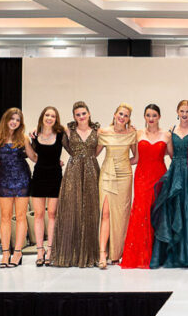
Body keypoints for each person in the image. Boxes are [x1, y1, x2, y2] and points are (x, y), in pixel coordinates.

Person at [49, 101, 101, 268]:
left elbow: (97, 151)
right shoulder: (68, 131)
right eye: (78, 114)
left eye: (83, 113)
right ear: (74, 116)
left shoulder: (97, 131)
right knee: (71, 210)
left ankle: (91, 254)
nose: (81, 117)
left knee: (91, 211)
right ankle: (69, 254)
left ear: (89, 113)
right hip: (72, 172)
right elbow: (55, 141)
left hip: (92, 171)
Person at [150, 100, 188, 268]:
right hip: (175, 173)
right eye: (182, 111)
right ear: (177, 112)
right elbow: (170, 154)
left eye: (187, 111)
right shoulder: (172, 131)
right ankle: (174, 254)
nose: (184, 114)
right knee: (172, 210)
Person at [121, 104, 171, 269]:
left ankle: (158, 255)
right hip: (142, 177)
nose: (151, 118)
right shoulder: (137, 134)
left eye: (154, 115)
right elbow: (134, 158)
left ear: (159, 117)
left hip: (159, 177)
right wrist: (117, 163)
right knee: (141, 212)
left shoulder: (167, 135)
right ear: (144, 116)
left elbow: (174, 156)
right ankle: (140, 256)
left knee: (157, 213)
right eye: (148, 115)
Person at [0, 107, 36, 268]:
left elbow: (33, 157)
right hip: (4, 179)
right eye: (12, 118)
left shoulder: (23, 138)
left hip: (22, 179)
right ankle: (5, 252)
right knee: (4, 217)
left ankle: (17, 252)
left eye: (18, 120)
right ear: (6, 119)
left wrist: (52, 161)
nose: (14, 122)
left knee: (21, 216)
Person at [98, 103, 137, 268]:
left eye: (126, 115)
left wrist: (122, 163)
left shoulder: (132, 133)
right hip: (107, 174)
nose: (122, 117)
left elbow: (136, 158)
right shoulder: (103, 132)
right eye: (120, 114)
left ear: (129, 119)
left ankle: (117, 254)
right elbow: (93, 153)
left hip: (125, 176)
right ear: (114, 114)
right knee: (105, 213)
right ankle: (102, 254)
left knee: (122, 216)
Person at [30, 106, 65, 267]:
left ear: (56, 119)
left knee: (52, 214)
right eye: (47, 115)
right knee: (38, 214)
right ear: (42, 117)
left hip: (55, 177)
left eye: (53, 115)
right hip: (39, 176)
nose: (49, 118)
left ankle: (50, 250)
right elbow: (33, 156)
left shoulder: (60, 134)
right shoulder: (34, 135)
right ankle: (39, 250)